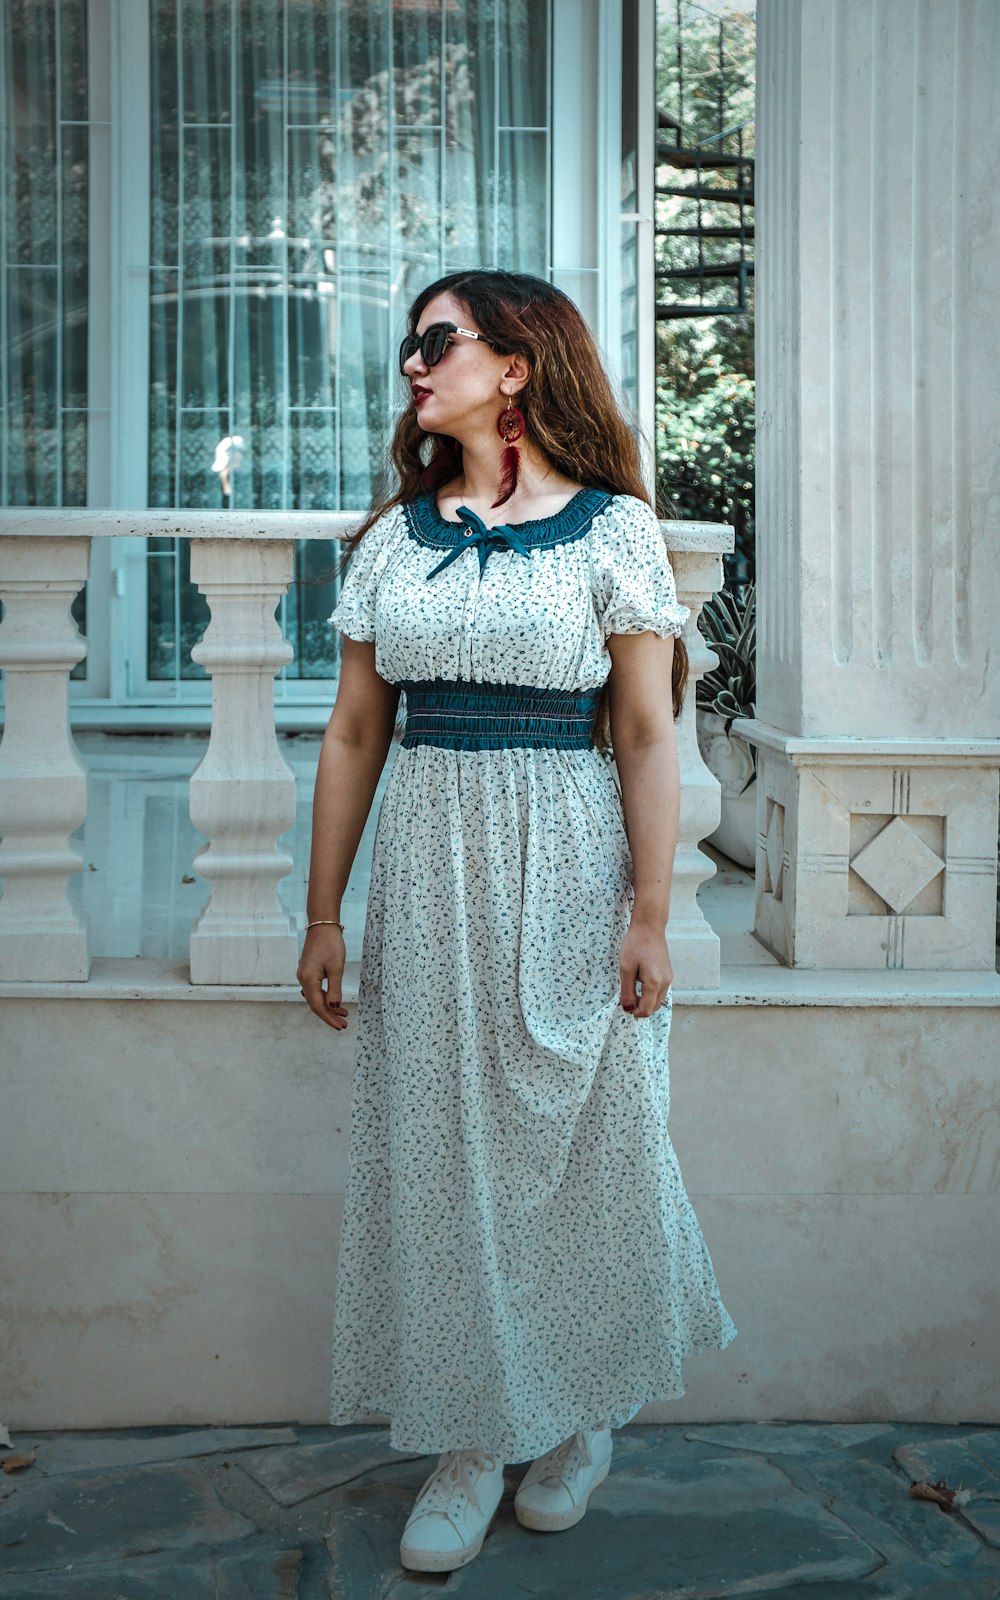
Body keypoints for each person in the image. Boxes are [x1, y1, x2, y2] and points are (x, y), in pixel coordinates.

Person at [297, 269, 737, 1574]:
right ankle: (472, 1435)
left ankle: (578, 1417)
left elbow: (651, 731)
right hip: (430, 866)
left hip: (572, 858)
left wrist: (650, 912)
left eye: (438, 343)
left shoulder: (613, 533)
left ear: (519, 365)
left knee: (585, 1139)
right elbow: (354, 730)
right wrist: (322, 910)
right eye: (410, 349)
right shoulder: (394, 538)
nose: (415, 368)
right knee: (447, 1153)